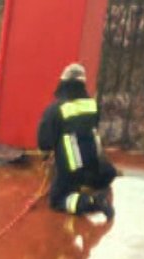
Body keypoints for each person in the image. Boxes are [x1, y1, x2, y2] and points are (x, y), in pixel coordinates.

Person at [36, 62, 117, 218]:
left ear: (63, 83)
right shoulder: (92, 105)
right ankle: (95, 188)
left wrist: (46, 155)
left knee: (57, 199)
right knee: (98, 177)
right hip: (96, 165)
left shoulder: (56, 109)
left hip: (72, 169)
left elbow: (44, 140)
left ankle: (91, 202)